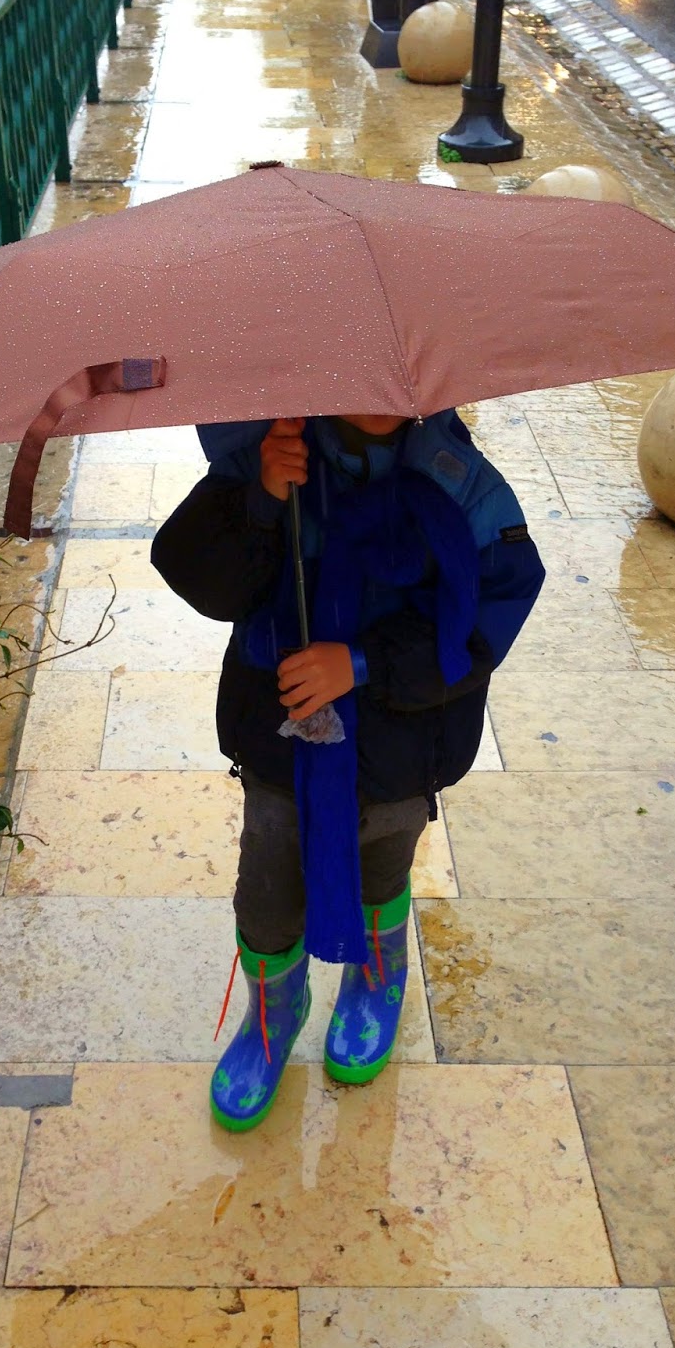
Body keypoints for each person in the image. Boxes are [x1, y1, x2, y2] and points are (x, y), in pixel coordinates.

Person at [151, 409, 545, 1132]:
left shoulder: (463, 487)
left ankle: (376, 980)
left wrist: (363, 663)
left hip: (400, 746)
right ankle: (274, 1012)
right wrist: (262, 498)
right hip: (281, 741)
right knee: (269, 886)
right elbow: (204, 581)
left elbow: (488, 621)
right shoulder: (271, 451)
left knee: (381, 868)